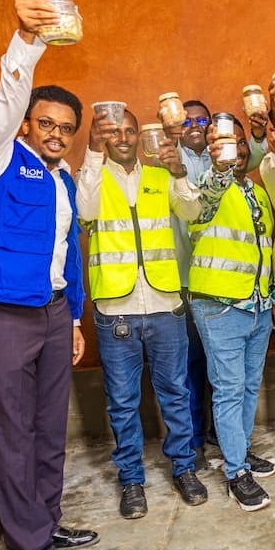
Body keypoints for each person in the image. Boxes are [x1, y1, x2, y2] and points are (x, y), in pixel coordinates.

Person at [0, 0, 98, 550]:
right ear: (25, 124)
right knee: (13, 436)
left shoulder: (63, 182)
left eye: (67, 128)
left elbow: (67, 258)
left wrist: (74, 320)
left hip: (52, 314)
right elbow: (8, 95)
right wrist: (29, 39)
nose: (57, 134)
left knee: (46, 432)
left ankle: (47, 522)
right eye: (46, 123)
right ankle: (30, 545)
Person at [77, 108, 207, 518]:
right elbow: (84, 209)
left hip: (166, 304)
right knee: (122, 401)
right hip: (117, 308)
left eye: (130, 130)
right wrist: (92, 153)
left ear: (139, 135)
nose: (123, 137)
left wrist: (179, 170)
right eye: (114, 131)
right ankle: (131, 479)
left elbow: (192, 213)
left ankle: (184, 468)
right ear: (104, 137)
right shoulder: (95, 175)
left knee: (176, 393)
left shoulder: (159, 175)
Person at [189, 117, 275, 511]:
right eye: (227, 144)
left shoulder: (257, 192)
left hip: (256, 304)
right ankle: (236, 471)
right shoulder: (208, 186)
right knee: (228, 389)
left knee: (246, 387)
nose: (237, 151)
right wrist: (219, 168)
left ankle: (238, 452)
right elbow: (202, 205)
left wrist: (271, 297)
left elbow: (265, 250)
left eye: (241, 144)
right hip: (220, 304)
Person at [172, 99, 215, 466]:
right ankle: (193, 440)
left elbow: (263, 155)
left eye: (202, 119)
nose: (195, 125)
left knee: (219, 362)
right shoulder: (168, 161)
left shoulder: (222, 159)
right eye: (187, 120)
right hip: (182, 279)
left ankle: (219, 434)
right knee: (189, 364)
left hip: (218, 279)